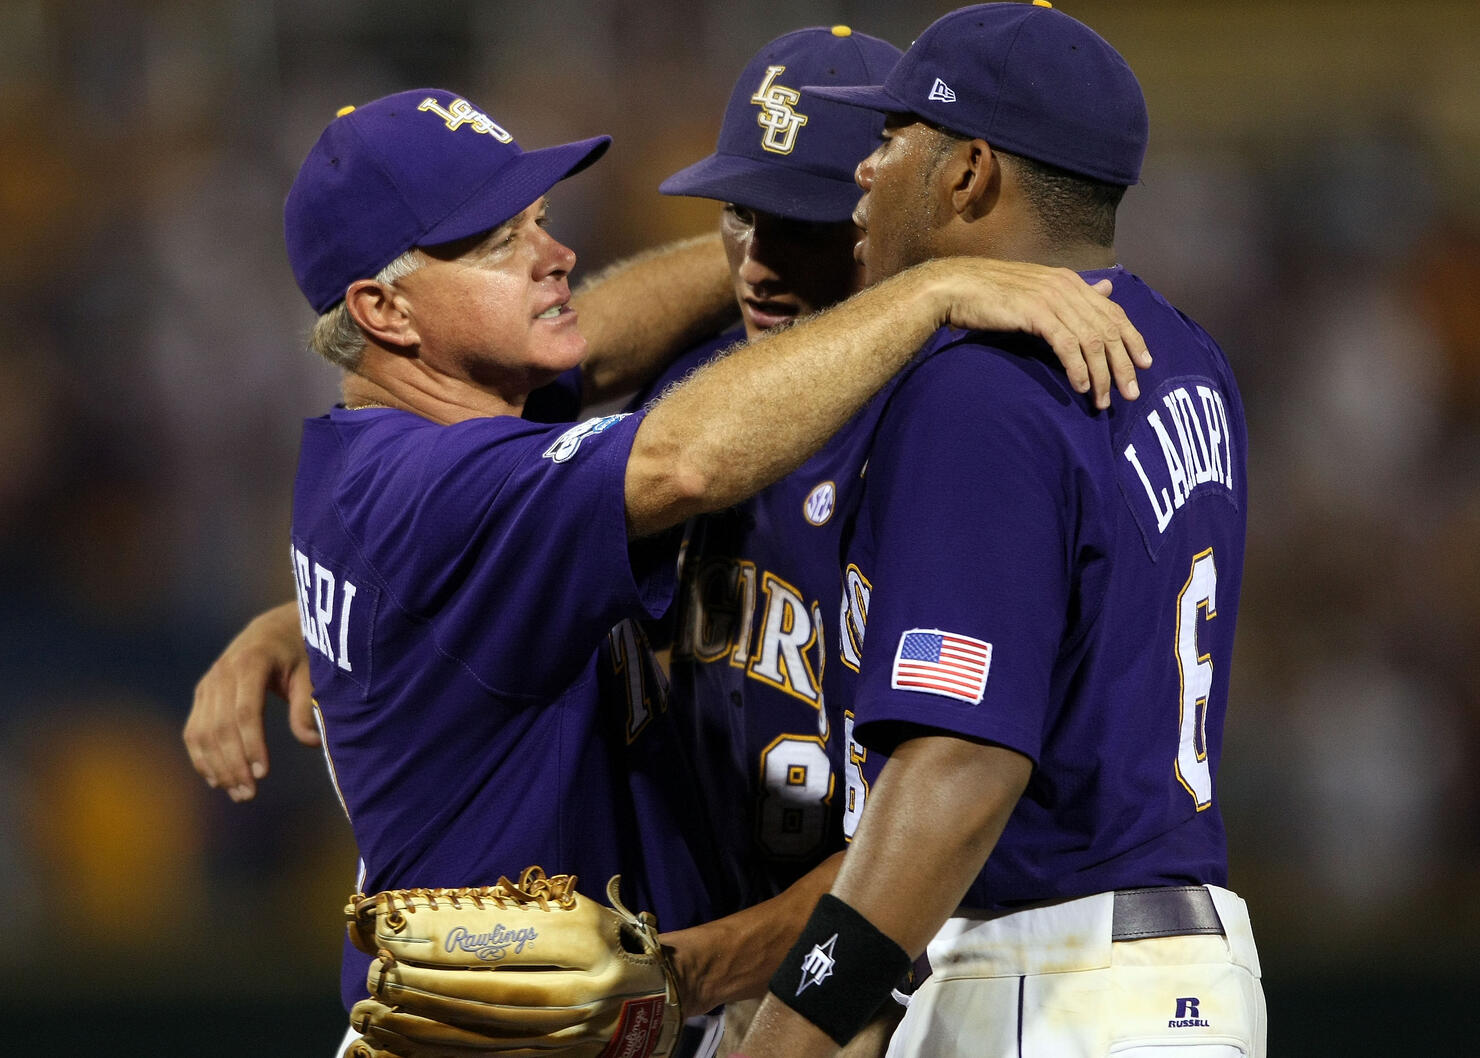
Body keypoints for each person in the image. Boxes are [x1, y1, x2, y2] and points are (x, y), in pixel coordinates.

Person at [222, 78, 1148, 1055]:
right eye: (500, 243)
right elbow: (685, 458)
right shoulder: (445, 491)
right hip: (503, 1036)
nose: (557, 258)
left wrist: (795, 235)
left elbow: (598, 334)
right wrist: (928, 281)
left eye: (538, 220)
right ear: (384, 308)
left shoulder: (401, 439)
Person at [736, 4, 1267, 1057]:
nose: (862, 169)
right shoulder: (1185, 353)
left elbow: (959, 766)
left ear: (967, 173)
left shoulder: (982, 385)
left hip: (1051, 980)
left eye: (890, 139)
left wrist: (786, 1035)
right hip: (1189, 972)